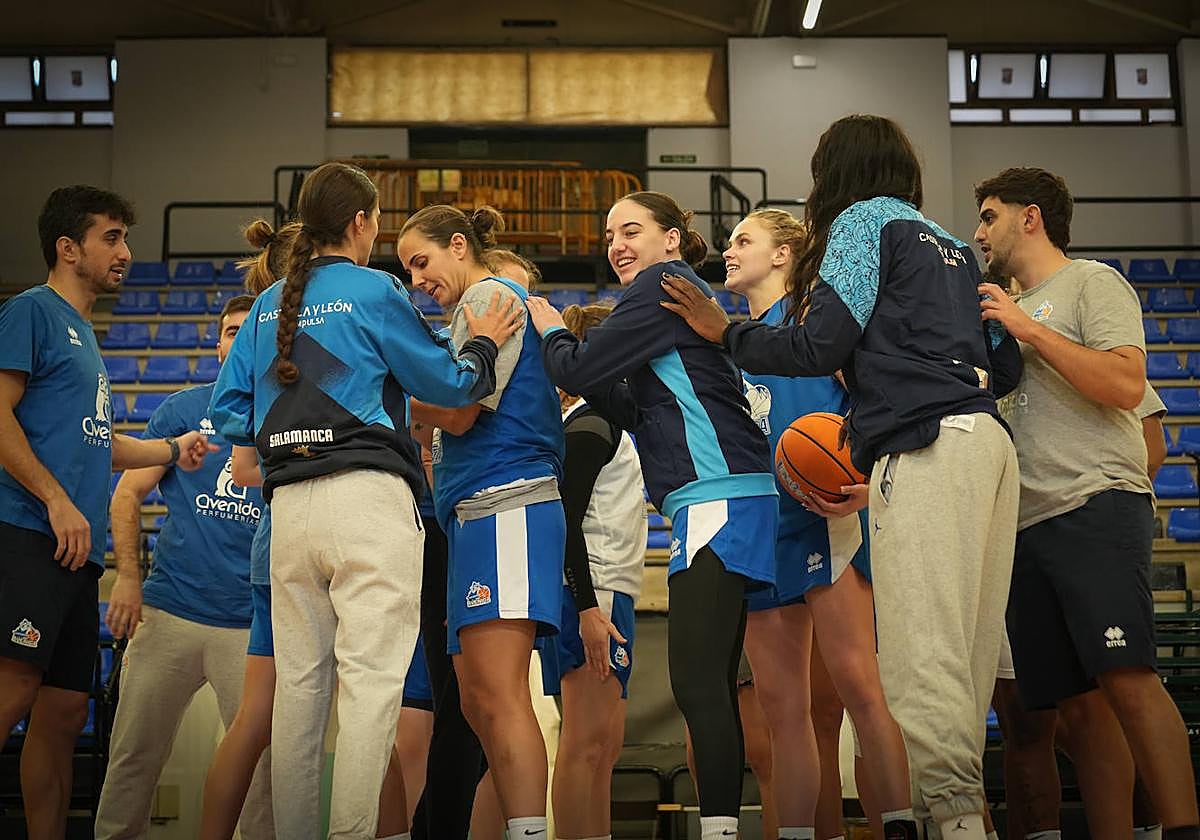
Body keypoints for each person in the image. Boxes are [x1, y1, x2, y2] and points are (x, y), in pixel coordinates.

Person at [660, 115, 1022, 840]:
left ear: (844, 170)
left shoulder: (865, 222)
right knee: (967, 667)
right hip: (990, 445)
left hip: (925, 445)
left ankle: (954, 825)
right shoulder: (952, 242)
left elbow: (821, 340)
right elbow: (1006, 361)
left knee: (920, 671)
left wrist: (723, 331)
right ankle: (959, 815)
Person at [209, 163, 521, 840]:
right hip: (368, 502)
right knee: (371, 692)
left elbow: (229, 413)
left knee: (298, 698)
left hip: (288, 507)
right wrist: (487, 343)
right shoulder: (374, 291)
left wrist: (295, 420)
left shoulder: (266, 306)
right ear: (360, 223)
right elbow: (452, 382)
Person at [527, 190, 779, 840]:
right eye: (610, 232)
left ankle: (722, 828)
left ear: (671, 238)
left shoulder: (659, 286)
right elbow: (636, 408)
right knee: (715, 686)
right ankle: (724, 827)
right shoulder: (670, 293)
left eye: (631, 229)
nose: (617, 243)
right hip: (727, 495)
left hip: (718, 495)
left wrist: (549, 325)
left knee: (698, 686)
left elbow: (579, 366)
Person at [975, 166, 1199, 840]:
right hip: (1026, 526)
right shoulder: (992, 326)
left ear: (1030, 216)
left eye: (990, 215)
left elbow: (1128, 385)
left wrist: (1027, 327)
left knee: (1127, 677)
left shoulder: (1091, 283)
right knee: (1080, 710)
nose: (980, 231)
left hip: (1093, 505)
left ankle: (1182, 829)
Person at [0, 185, 216, 840]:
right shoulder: (32, 312)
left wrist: (173, 447)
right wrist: (58, 499)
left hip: (73, 553)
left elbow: (104, 441)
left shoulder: (87, 341)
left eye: (125, 237)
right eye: (111, 238)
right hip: (29, 537)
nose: (125, 251)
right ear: (68, 248)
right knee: (9, 695)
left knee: (63, 715)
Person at [724, 207, 913, 840]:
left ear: (782, 255)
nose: (729, 250)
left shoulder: (817, 326)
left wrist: (868, 486)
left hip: (827, 518)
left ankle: (901, 826)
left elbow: (880, 407)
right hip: (762, 527)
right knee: (783, 714)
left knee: (861, 688)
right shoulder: (729, 344)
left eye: (743, 240)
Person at [397, 203, 565, 840]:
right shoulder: (459, 317)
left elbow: (461, 411)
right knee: (475, 700)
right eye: (407, 268)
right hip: (474, 509)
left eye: (423, 261)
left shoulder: (488, 297)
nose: (417, 279)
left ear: (459, 245)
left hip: (508, 499)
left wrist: (380, 388)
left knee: (498, 693)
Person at [95, 294, 273, 840]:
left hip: (249, 625)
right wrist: (127, 575)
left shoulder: (287, 418)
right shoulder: (180, 409)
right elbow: (126, 496)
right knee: (132, 760)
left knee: (259, 779)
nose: (237, 339)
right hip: (169, 610)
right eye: (229, 330)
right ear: (218, 345)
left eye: (249, 330)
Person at [536, 301, 647, 840]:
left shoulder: (608, 422)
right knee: (583, 745)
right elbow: (565, 523)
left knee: (605, 747)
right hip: (591, 591)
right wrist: (585, 608)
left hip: (612, 587)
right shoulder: (590, 424)